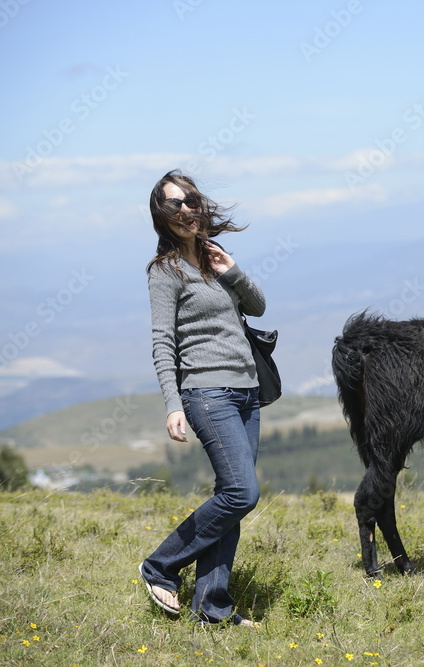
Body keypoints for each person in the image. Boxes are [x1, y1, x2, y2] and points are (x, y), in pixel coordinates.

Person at [139, 170, 264, 627]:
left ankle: (212, 609)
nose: (186, 210)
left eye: (190, 200)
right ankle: (160, 566)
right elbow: (162, 342)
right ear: (162, 216)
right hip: (207, 393)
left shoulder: (214, 259)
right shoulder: (165, 272)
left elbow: (258, 307)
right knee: (242, 493)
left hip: (247, 392)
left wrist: (233, 271)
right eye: (174, 204)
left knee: (230, 498)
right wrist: (173, 404)